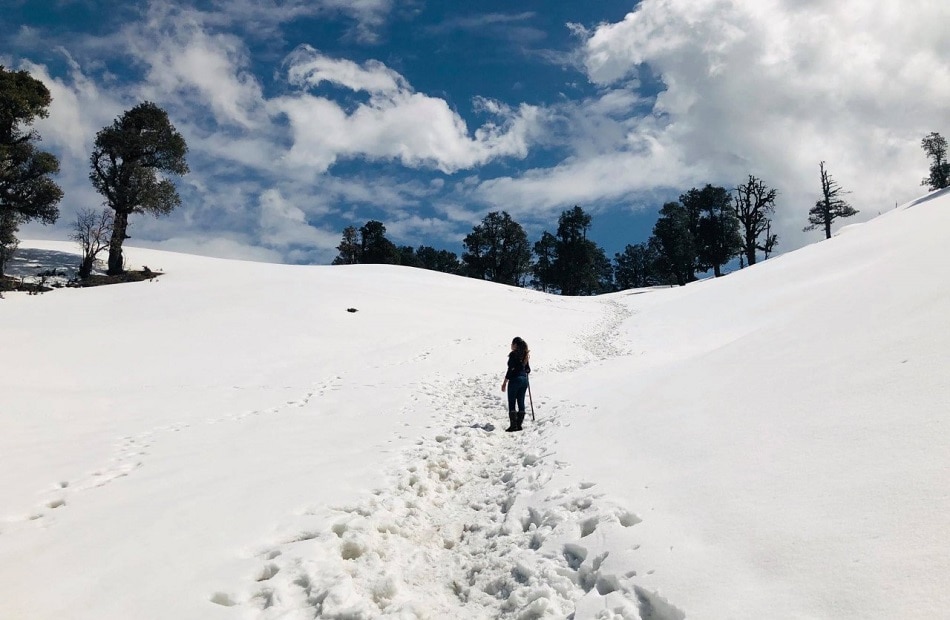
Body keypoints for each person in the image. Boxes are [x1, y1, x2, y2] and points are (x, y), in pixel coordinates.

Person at [501, 337, 531, 432]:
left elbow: (510, 369)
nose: (511, 345)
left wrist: (505, 382)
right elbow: (528, 369)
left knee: (512, 401)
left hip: (515, 380)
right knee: (521, 400)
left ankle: (513, 425)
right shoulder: (525, 355)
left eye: (512, 344)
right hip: (524, 380)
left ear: (515, 345)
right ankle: (519, 425)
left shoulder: (513, 355)